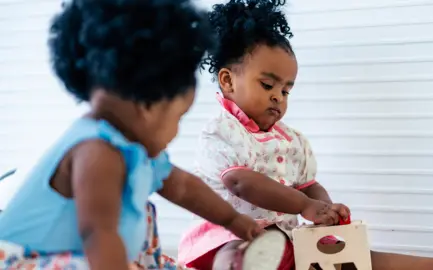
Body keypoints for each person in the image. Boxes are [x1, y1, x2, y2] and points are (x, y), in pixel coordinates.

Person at [177, 0, 433, 270]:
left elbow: (310, 186)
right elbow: (241, 182)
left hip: (284, 238)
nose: (278, 97)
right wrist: (304, 206)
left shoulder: (292, 141)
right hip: (229, 234)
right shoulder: (221, 131)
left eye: (286, 90)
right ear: (228, 82)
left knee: (348, 253)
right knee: (238, 253)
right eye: (268, 86)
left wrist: (325, 210)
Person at [0, 0, 290, 269]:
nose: (176, 131)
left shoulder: (132, 148)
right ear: (147, 107)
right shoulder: (97, 153)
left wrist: (233, 220)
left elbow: (184, 188)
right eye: (178, 118)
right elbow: (98, 234)